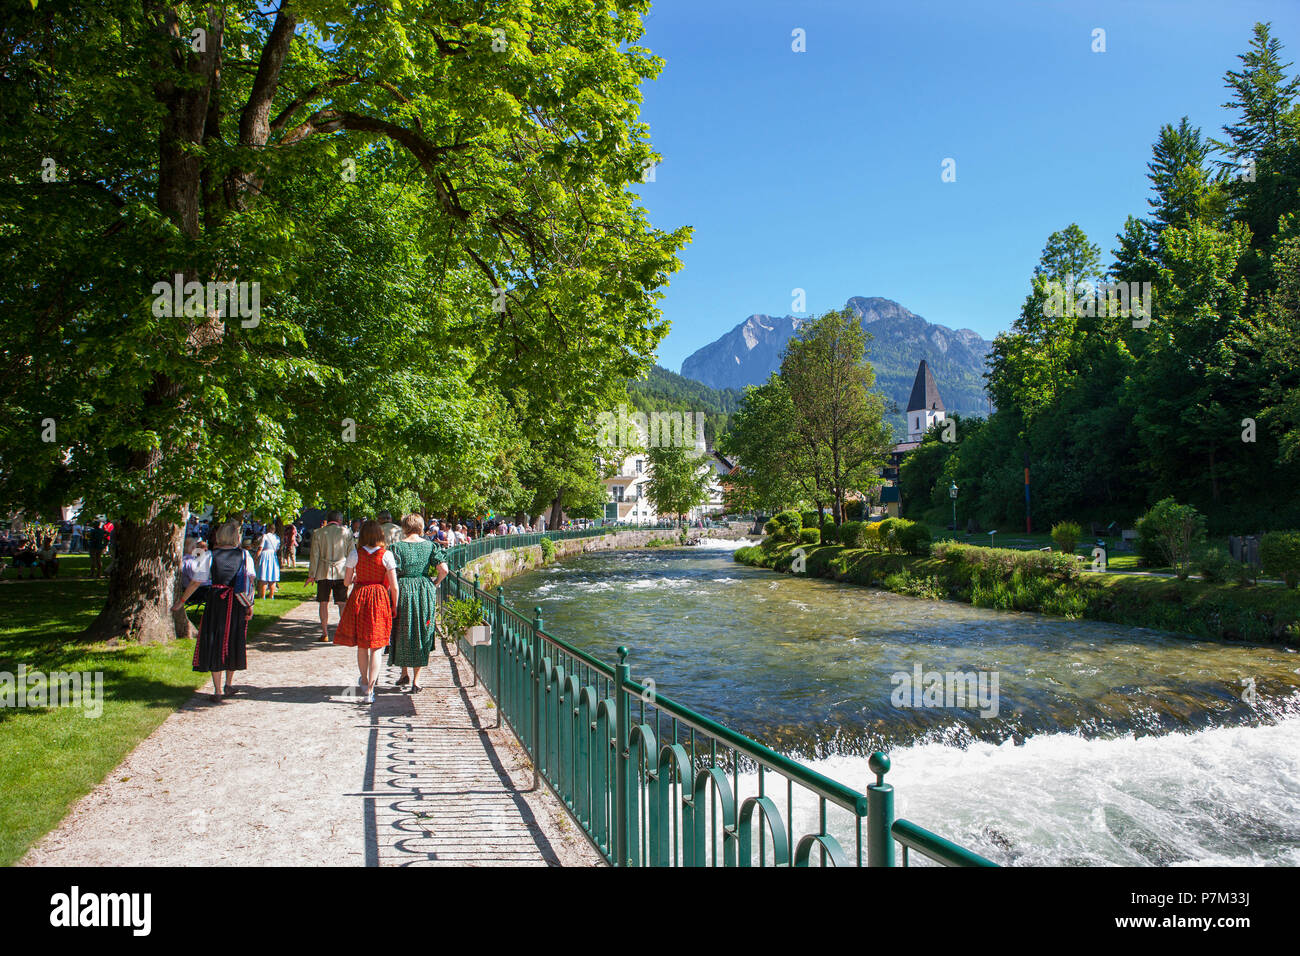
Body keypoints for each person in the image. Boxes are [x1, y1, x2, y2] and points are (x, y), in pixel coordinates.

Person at [172, 520, 254, 702]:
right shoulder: (244, 555)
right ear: (236, 536)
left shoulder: (209, 555)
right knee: (233, 637)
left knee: (215, 638)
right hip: (236, 601)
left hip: (216, 600)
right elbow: (249, 581)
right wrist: (250, 604)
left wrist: (182, 601)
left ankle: (217, 690)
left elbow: (196, 581)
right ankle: (229, 683)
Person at [334, 520, 398, 704]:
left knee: (363, 645)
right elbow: (394, 585)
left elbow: (346, 582)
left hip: (360, 596)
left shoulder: (355, 554)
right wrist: (395, 604)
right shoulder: (386, 555)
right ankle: (371, 688)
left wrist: (355, 577)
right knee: (376, 646)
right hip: (378, 597)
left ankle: (363, 681)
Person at [389, 514, 448, 693]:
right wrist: (434, 584)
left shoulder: (396, 547)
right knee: (422, 629)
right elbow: (444, 569)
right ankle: (416, 680)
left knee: (402, 629)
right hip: (423, 588)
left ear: (404, 527)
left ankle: (403, 673)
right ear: (422, 527)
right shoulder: (430, 546)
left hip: (403, 588)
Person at [307, 511, 352, 642]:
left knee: (323, 603)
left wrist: (312, 574)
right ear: (339, 519)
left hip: (323, 571)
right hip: (341, 571)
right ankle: (343, 632)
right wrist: (352, 572)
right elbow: (351, 554)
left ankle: (325, 632)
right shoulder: (346, 533)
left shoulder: (318, 533)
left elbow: (314, 555)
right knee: (342, 603)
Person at [256, 525, 281, 599]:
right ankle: (271, 595)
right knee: (272, 577)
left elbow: (260, 548)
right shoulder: (277, 538)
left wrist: (256, 558)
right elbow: (277, 549)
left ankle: (262, 595)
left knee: (263, 576)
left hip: (265, 555)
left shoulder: (265, 536)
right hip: (273, 555)